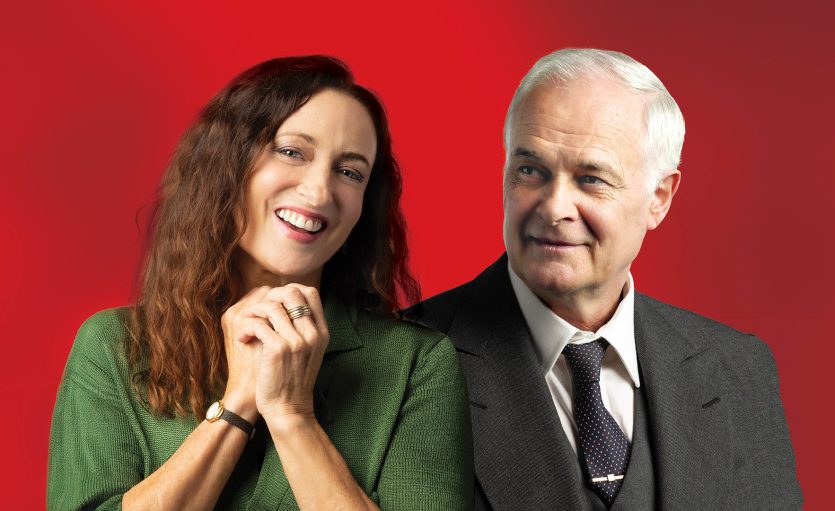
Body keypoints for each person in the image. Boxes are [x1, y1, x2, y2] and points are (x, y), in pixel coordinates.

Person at [47, 56, 473, 510]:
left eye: (350, 172)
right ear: (227, 164)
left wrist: (293, 417)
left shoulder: (418, 365)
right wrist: (239, 404)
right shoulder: (114, 347)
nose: (318, 192)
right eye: (292, 151)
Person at [409, 48, 802, 510]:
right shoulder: (402, 363)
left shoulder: (740, 370)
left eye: (591, 178)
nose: (554, 207)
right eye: (530, 170)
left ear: (659, 198)